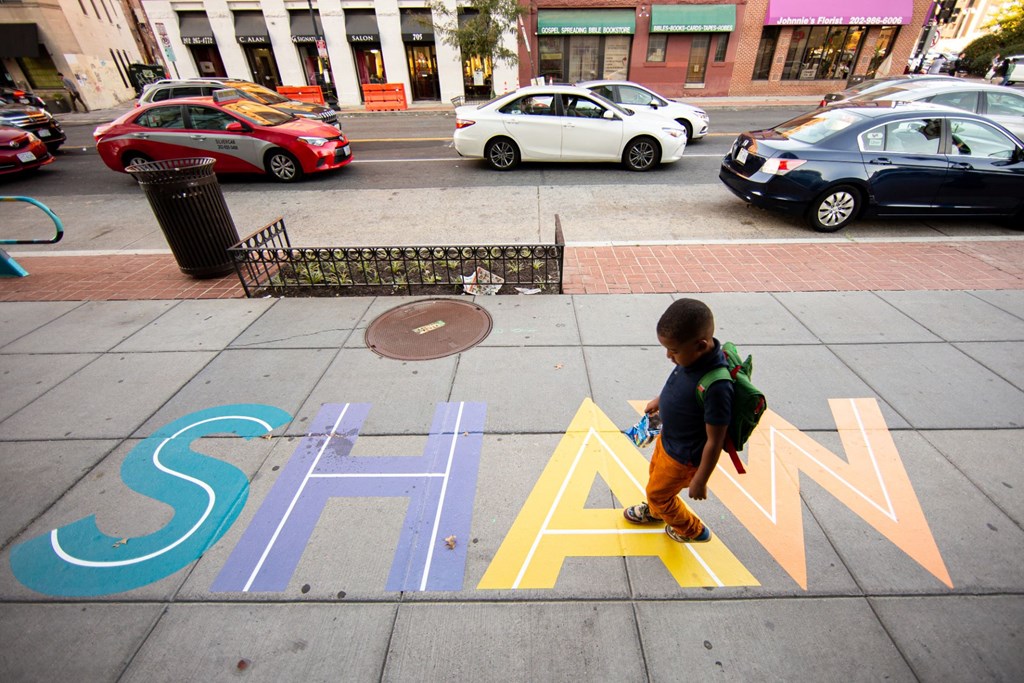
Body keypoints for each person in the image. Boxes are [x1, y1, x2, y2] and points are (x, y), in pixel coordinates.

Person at [622, 298, 733, 544]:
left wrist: (700, 480)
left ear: (701, 345)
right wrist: (660, 399)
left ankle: (690, 530)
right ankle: (656, 509)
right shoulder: (691, 357)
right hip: (669, 440)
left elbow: (715, 441)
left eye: (673, 351)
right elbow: (679, 381)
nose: (668, 355)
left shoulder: (717, 387)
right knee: (656, 482)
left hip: (684, 458)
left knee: (658, 493)